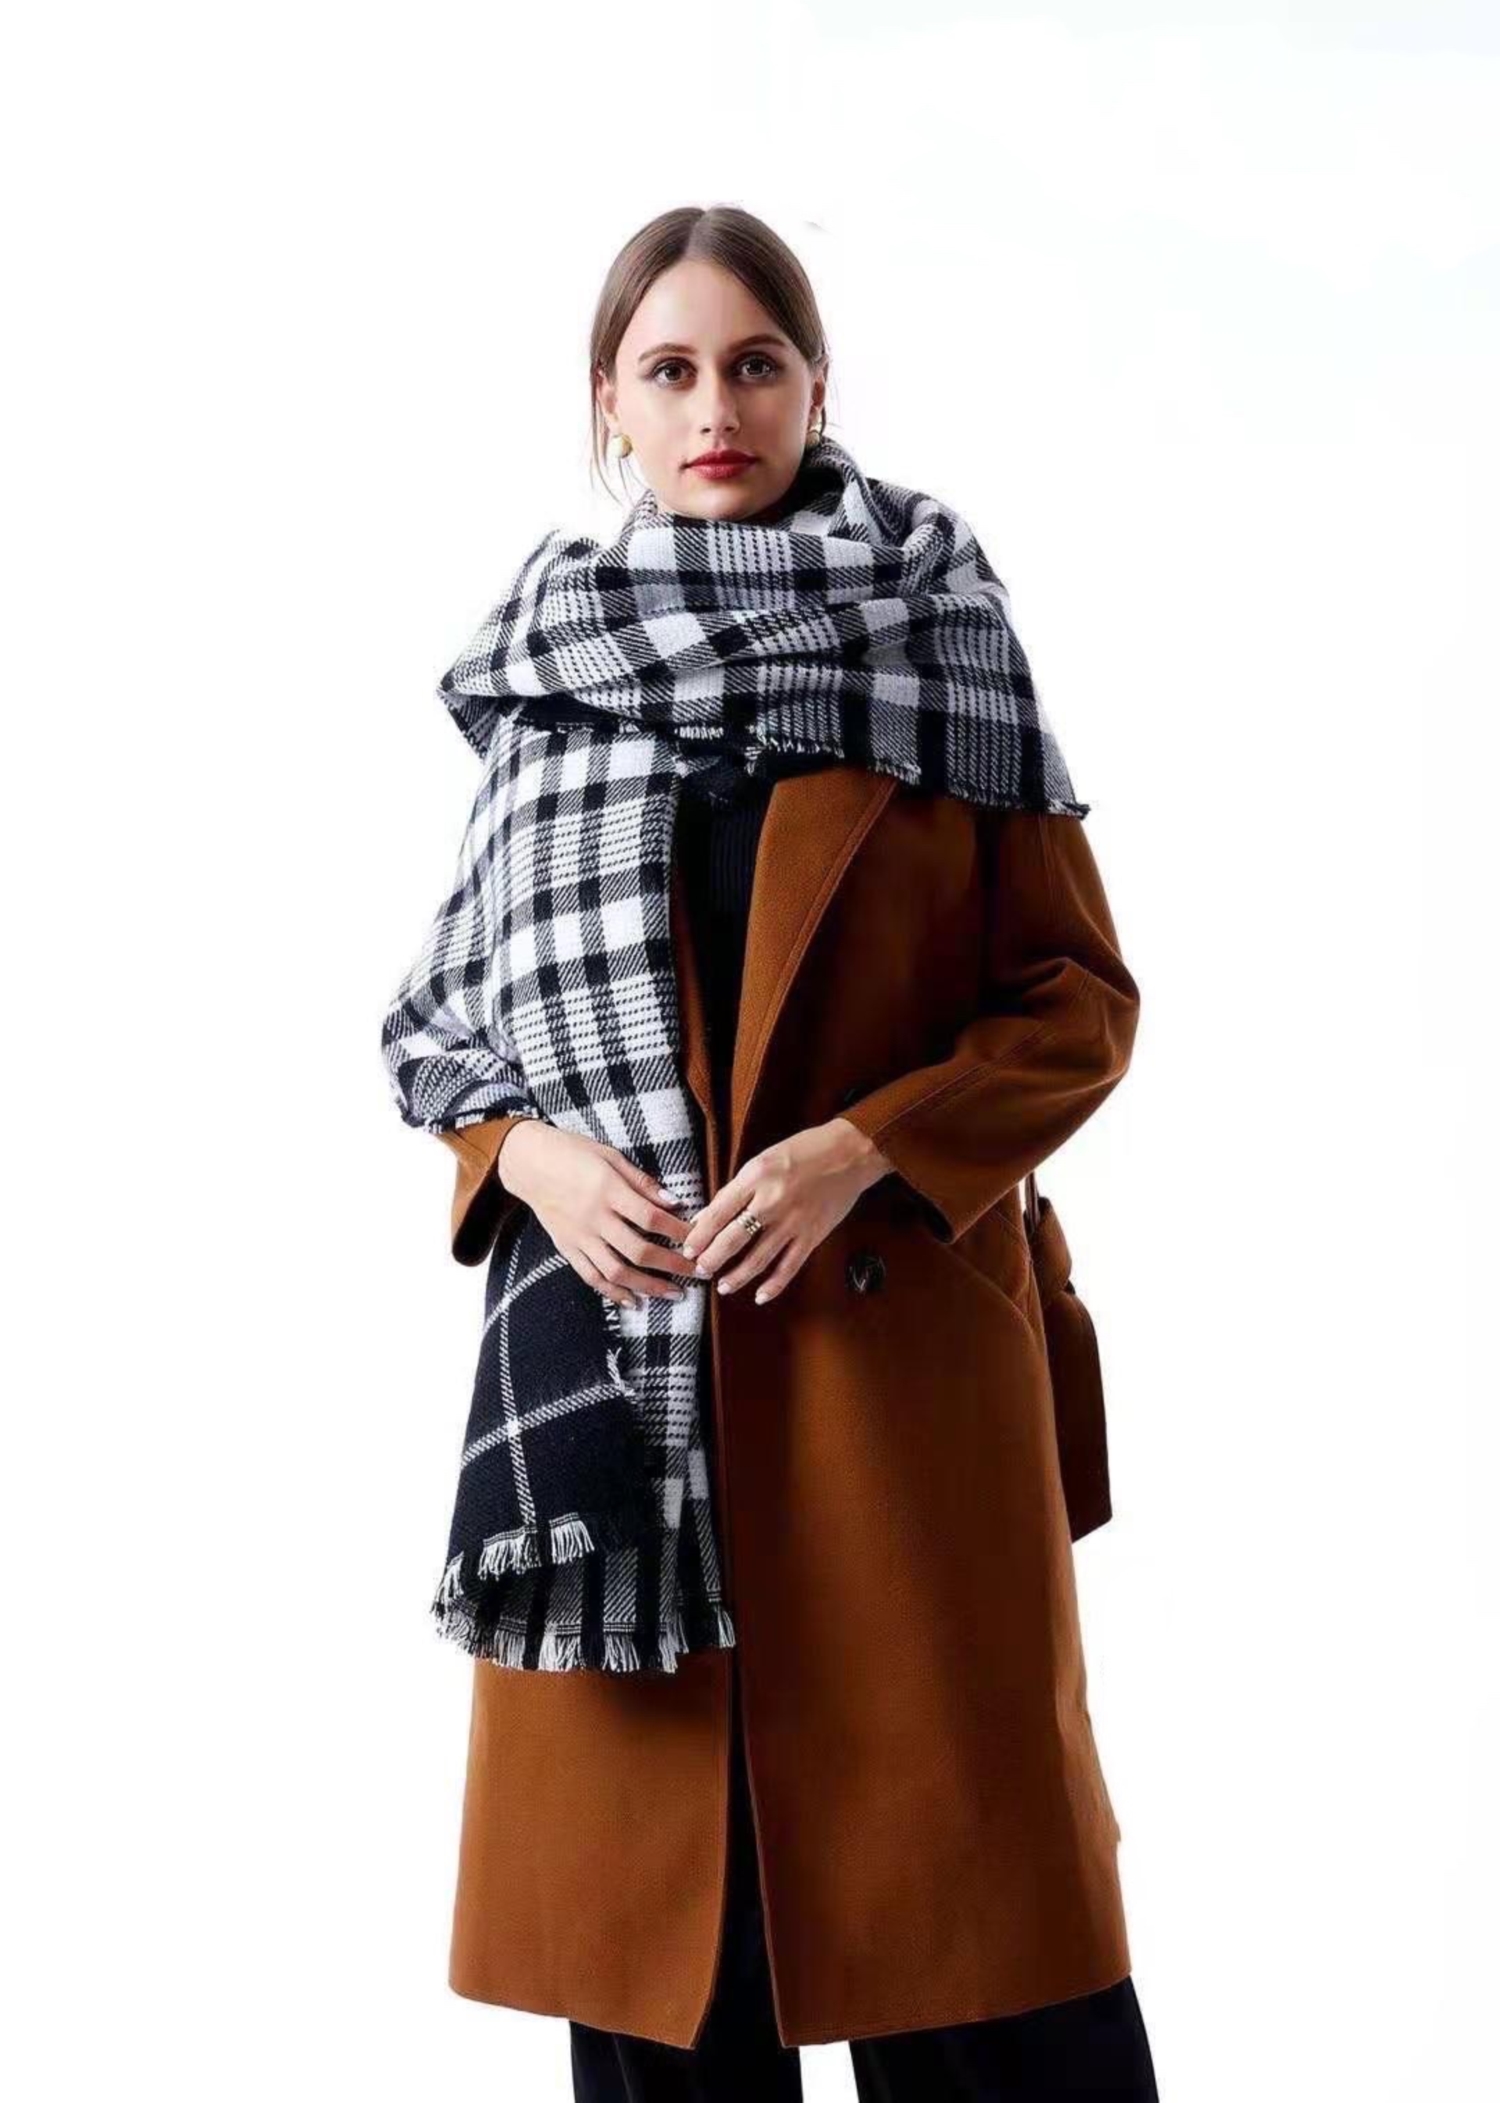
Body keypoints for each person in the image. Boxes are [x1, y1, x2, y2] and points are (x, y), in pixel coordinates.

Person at [381, 203, 1159, 2101]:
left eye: (754, 364)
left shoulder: (940, 639)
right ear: (609, 404)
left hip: (894, 1402)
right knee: (671, 1985)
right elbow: (447, 1033)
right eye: (670, 370)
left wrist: (864, 1152)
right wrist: (532, 1164)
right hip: (623, 1415)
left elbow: (1078, 1001)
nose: (714, 407)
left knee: (976, 1973)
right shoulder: (549, 688)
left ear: (818, 386)